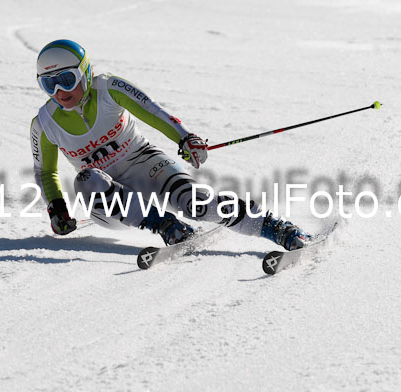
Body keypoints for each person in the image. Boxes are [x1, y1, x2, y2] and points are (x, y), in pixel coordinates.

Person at [30, 39, 310, 250]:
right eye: (49, 84)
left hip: (147, 165)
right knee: (87, 179)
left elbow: (153, 111)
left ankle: (277, 229)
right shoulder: (44, 124)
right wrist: (56, 208)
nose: (60, 92)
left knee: (198, 204)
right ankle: (165, 225)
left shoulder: (109, 89)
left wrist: (185, 138)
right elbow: (45, 172)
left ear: (85, 72)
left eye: (66, 80)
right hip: (109, 204)